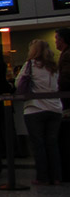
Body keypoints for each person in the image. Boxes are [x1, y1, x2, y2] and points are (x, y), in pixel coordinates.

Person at [16, 39, 62, 185]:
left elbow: (19, 83)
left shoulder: (30, 65)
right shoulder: (54, 67)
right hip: (55, 108)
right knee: (52, 144)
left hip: (35, 108)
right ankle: (56, 176)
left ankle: (42, 176)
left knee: (38, 144)